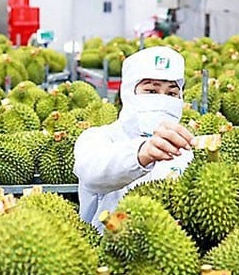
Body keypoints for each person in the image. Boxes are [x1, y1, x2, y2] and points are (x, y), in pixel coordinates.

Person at [73, 46, 194, 231]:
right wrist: (142, 153)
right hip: (103, 253)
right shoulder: (97, 139)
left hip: (166, 253)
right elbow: (92, 172)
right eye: (151, 91)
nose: (162, 100)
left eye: (171, 94)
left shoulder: (186, 152)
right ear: (129, 92)